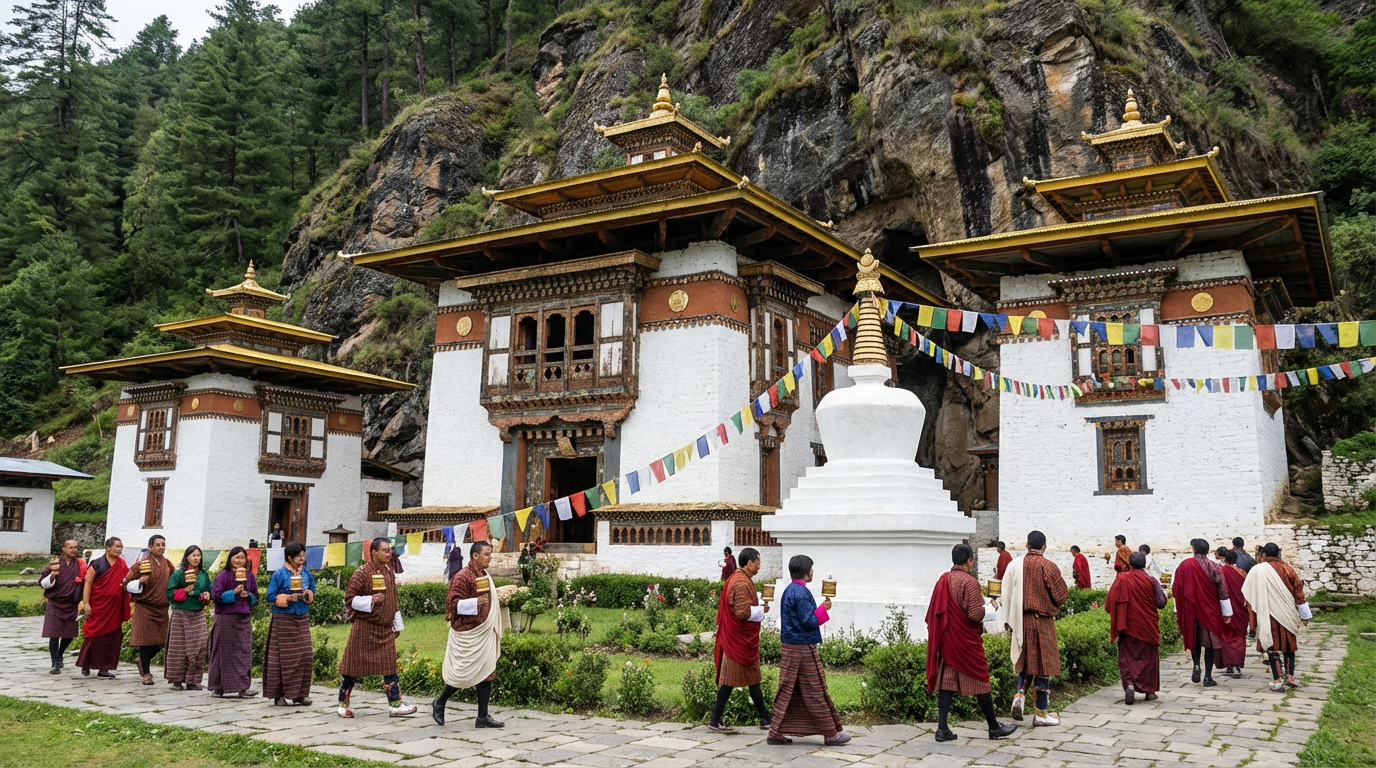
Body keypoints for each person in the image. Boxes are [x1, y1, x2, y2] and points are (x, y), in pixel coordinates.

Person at [926, 543, 1018, 742]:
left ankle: (942, 729)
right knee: (980, 678)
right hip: (966, 641)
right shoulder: (970, 582)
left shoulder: (944, 580)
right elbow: (975, 614)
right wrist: (991, 608)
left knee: (947, 683)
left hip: (948, 639)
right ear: (969, 560)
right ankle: (993, 727)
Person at [767, 554, 849, 746]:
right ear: (805, 572)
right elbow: (809, 621)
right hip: (802, 648)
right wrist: (823, 608)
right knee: (815, 689)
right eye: (811, 569)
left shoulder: (789, 590)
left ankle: (775, 731)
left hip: (790, 646)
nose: (812, 572)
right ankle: (830, 733)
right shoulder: (802, 593)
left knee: (787, 690)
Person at [339, 538, 418, 718]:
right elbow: (349, 600)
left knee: (390, 667)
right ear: (374, 552)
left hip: (385, 629)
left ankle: (396, 705)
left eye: (390, 550)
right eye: (385, 550)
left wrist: (397, 625)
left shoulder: (389, 572)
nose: (389, 553)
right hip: (364, 628)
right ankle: (343, 704)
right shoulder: (361, 573)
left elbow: (393, 600)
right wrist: (371, 600)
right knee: (352, 668)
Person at [997, 530, 1069, 726]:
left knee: (1025, 663)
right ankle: (1041, 714)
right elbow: (1062, 596)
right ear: (1044, 546)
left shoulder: (1013, 565)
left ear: (1027, 545)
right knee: (1043, 667)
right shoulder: (1048, 566)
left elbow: (1006, 595)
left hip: (1020, 620)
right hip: (1043, 622)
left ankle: (1019, 696)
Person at [433, 541, 504, 728]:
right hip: (468, 632)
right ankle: (439, 703)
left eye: (490, 554)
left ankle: (482, 717)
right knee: (462, 673)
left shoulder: (485, 575)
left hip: (484, 631)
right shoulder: (462, 577)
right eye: (487, 554)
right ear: (475, 556)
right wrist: (477, 603)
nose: (490, 557)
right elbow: (452, 605)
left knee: (487, 672)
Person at [709, 547, 771, 733]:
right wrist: (761, 610)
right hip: (737, 643)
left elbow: (741, 606)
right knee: (729, 682)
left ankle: (765, 718)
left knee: (753, 680)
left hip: (736, 640)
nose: (759, 565)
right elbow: (743, 612)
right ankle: (715, 720)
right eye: (758, 561)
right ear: (749, 562)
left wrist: (757, 605)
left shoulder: (739, 579)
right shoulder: (742, 583)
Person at [1243, 543, 1311, 692]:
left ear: (1264, 555)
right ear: (1278, 554)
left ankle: (1277, 680)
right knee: (1289, 647)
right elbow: (1299, 591)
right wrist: (1305, 614)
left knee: (1272, 647)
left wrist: (1252, 615)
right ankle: (1290, 676)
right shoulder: (1288, 569)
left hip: (1268, 614)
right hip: (1287, 613)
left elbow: (1247, 591)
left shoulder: (1257, 570)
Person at [1169, 538, 1236, 688]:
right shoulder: (1214, 567)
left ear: (1194, 549)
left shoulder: (1184, 565)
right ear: (1207, 551)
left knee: (1195, 640)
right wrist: (1227, 613)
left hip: (1190, 610)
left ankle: (1196, 665)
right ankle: (1208, 677)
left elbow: (1176, 588)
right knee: (1210, 645)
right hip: (1210, 611)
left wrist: (1177, 609)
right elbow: (1223, 591)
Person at [1106, 552, 1167, 704]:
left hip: (1127, 626)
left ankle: (1129, 684)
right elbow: (1161, 603)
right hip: (1147, 626)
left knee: (1127, 657)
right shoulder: (1151, 580)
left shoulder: (1122, 578)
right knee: (1149, 659)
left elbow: (1109, 603)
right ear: (1144, 564)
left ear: (1130, 565)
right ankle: (1149, 691)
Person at [265, 541, 316, 706]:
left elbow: (312, 591)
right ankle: (278, 695)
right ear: (289, 557)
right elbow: (270, 596)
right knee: (282, 658)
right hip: (283, 619)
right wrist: (287, 597)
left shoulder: (306, 574)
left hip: (301, 617)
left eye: (303, 555)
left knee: (305, 655)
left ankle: (300, 694)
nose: (302, 558)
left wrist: (306, 594)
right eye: (298, 556)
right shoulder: (279, 574)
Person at [123, 534, 175, 686]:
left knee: (161, 641)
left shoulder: (168, 564)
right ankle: (146, 673)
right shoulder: (142, 564)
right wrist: (139, 581)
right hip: (145, 607)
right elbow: (126, 583)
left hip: (162, 608)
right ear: (150, 546)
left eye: (163, 544)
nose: (161, 547)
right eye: (158, 545)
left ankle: (142, 661)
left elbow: (174, 580)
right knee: (145, 642)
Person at [77, 537, 131, 678]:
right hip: (99, 606)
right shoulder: (97, 564)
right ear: (108, 548)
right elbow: (88, 583)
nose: (119, 549)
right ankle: (86, 664)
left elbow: (126, 579)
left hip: (114, 608)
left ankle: (105, 668)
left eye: (121, 546)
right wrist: (86, 603)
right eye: (116, 546)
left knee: (112, 638)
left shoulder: (122, 564)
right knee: (93, 636)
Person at [209, 547, 259, 698]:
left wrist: (248, 595)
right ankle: (219, 687)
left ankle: (243, 687)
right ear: (230, 559)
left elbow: (256, 597)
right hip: (226, 618)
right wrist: (233, 593)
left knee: (243, 652)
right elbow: (216, 596)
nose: (239, 561)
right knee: (223, 652)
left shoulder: (249, 576)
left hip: (243, 618)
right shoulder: (223, 576)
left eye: (242, 558)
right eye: (236, 557)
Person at [165, 546, 211, 690]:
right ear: (187, 557)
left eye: (198, 555)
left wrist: (207, 596)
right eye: (193, 555)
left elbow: (209, 589)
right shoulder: (179, 574)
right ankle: (177, 680)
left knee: (201, 645)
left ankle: (193, 680)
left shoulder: (203, 575)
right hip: (181, 613)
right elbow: (169, 594)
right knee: (179, 648)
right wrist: (184, 590)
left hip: (198, 614)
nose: (196, 558)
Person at [40, 539, 85, 675]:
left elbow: (85, 580)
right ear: (63, 549)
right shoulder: (54, 564)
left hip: (71, 604)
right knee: (54, 634)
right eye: (70, 547)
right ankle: (55, 664)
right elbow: (43, 583)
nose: (73, 550)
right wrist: (52, 577)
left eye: (75, 547)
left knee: (69, 634)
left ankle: (60, 653)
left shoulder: (80, 564)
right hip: (55, 603)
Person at [1213, 547, 1248, 678]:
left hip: (1226, 608)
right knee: (1239, 637)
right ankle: (1237, 665)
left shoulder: (1222, 572)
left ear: (1225, 559)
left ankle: (1231, 666)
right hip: (1241, 609)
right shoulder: (1243, 573)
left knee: (1227, 636)